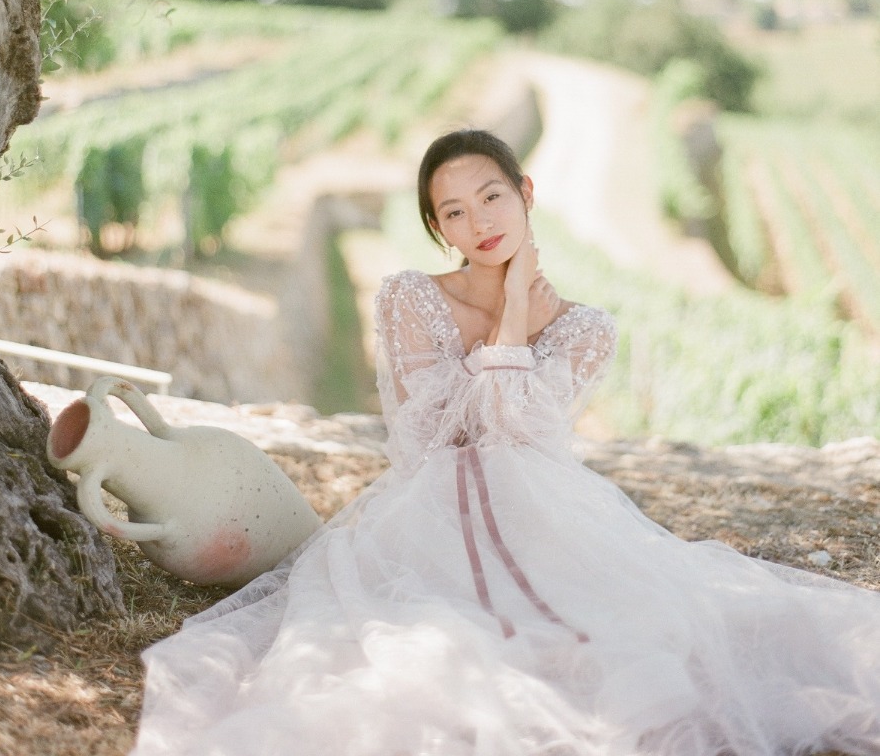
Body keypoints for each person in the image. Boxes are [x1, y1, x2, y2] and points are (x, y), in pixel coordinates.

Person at [132, 129, 880, 756]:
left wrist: (514, 315)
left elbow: (517, 430)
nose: (478, 223)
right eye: (452, 213)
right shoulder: (409, 296)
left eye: (490, 197)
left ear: (525, 192)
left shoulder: (587, 327)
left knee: (630, 640)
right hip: (425, 511)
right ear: (438, 230)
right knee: (431, 652)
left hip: (546, 509)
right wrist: (512, 318)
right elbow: (431, 435)